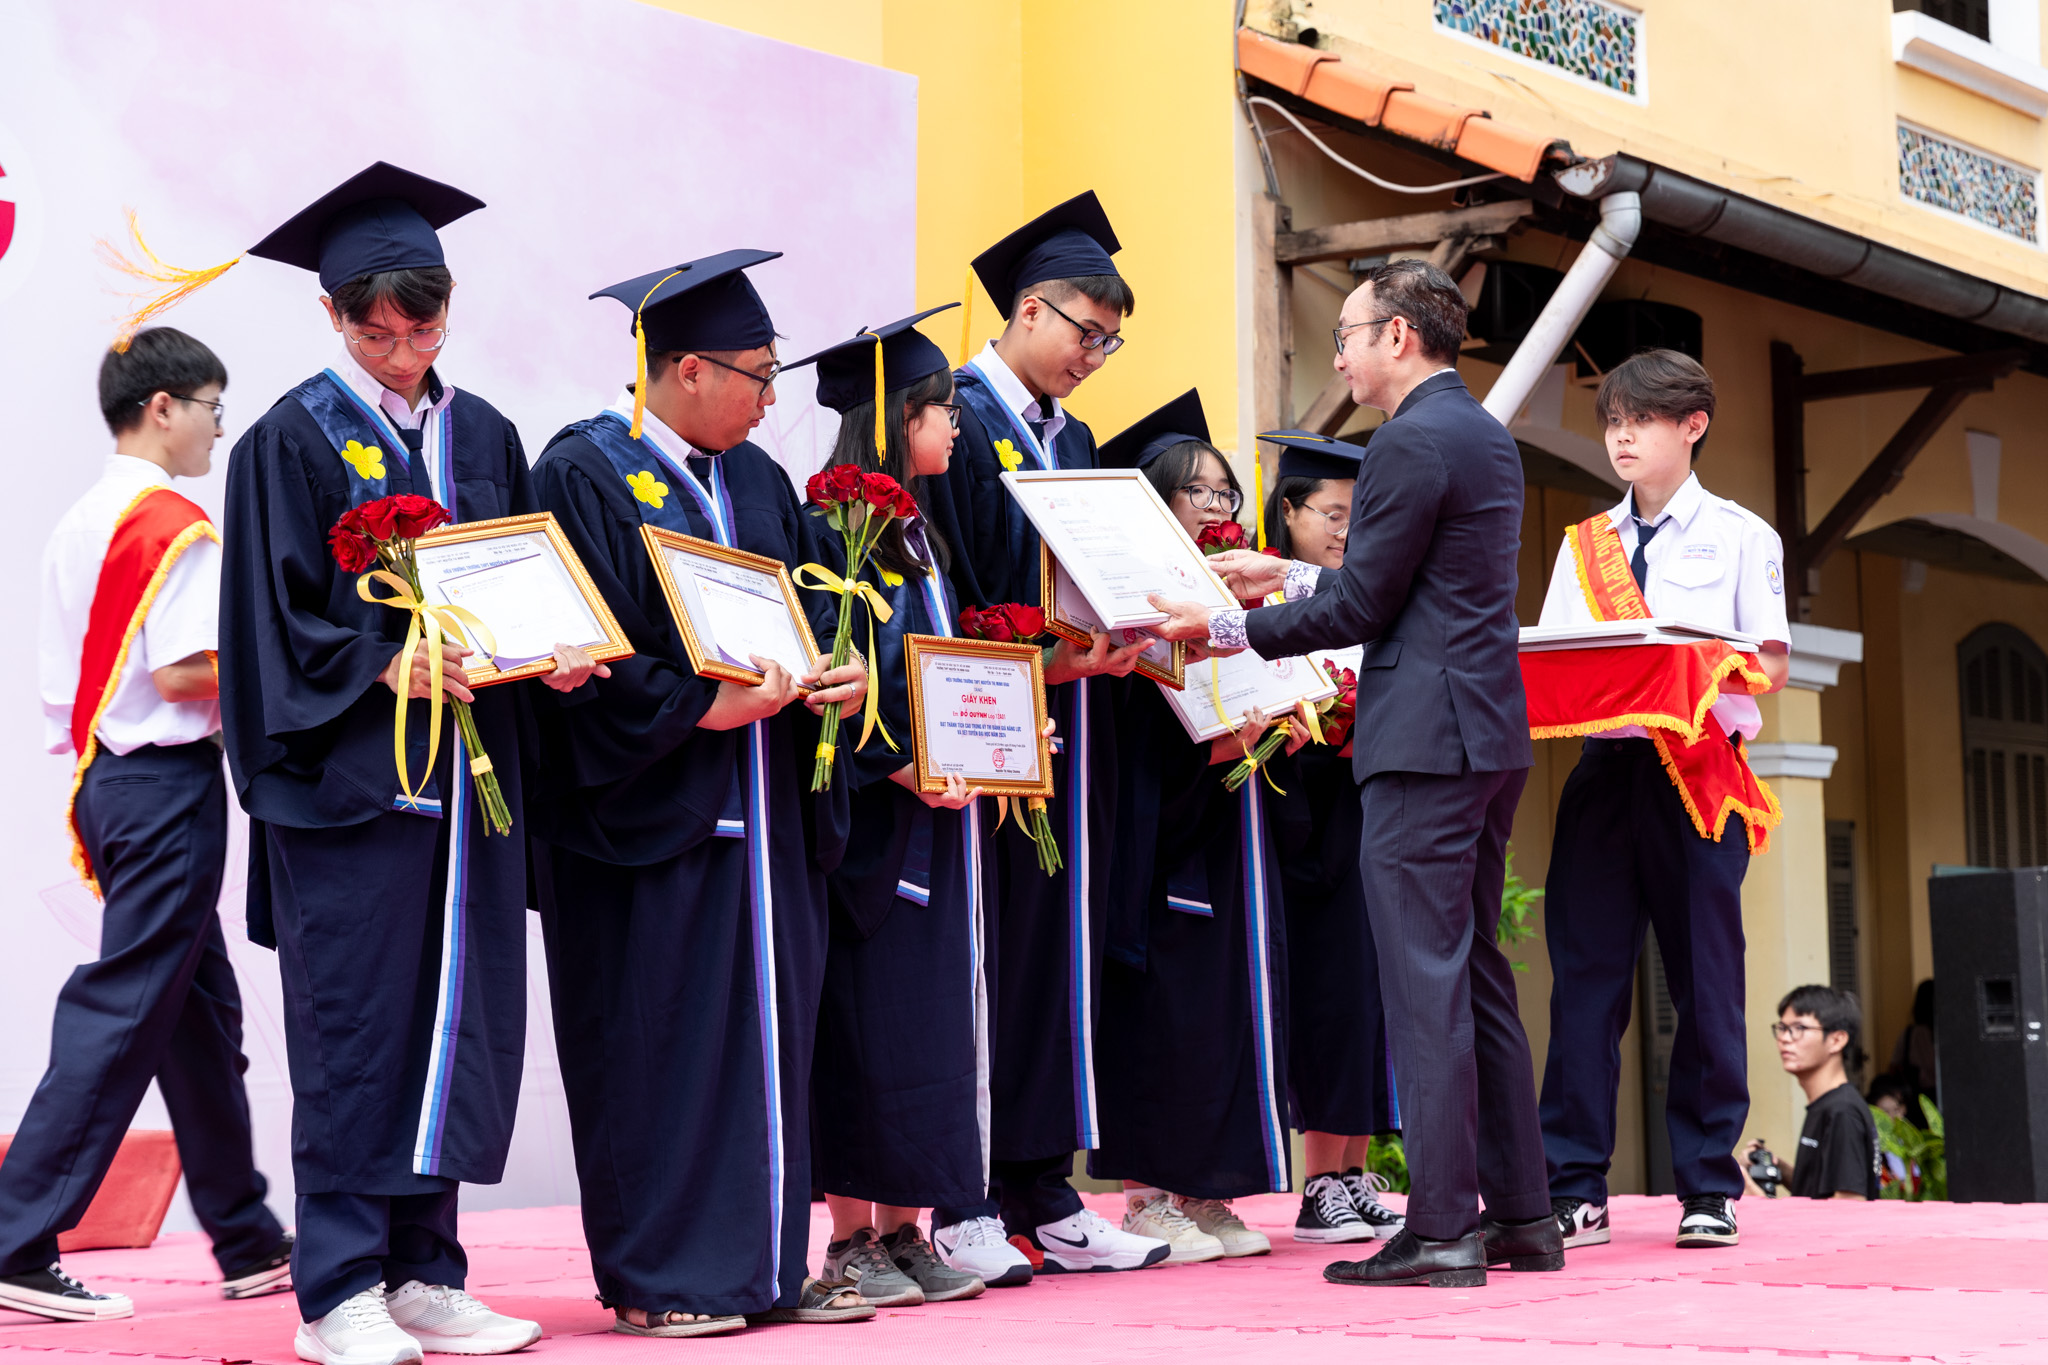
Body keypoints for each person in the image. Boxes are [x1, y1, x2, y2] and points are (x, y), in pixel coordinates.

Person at [217, 163, 607, 1364]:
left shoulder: (482, 432)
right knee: (356, 1035)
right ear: (329, 314)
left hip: (468, 787)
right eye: (372, 329)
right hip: (353, 794)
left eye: (420, 325)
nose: (398, 351)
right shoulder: (288, 440)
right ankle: (338, 1286)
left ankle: (427, 1270)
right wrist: (382, 666)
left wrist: (554, 654)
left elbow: (526, 585)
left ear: (448, 309)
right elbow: (269, 626)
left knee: (458, 1025)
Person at [1144, 259, 1559, 1288]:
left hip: (1422, 742)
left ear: (1400, 337)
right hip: (1482, 735)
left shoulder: (1410, 440)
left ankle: (1440, 1228)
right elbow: (1413, 585)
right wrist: (1285, 574)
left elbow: (1361, 610)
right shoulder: (1477, 433)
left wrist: (1227, 623)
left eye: (1350, 333)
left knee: (1422, 985)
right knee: (1474, 981)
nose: (1339, 354)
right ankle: (1517, 1215)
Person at [528, 251, 872, 1338]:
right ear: (682, 369)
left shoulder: (758, 482)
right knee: (660, 1044)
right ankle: (663, 1276)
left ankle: (766, 1267)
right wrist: (690, 710)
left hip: (765, 815)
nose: (774, 401)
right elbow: (571, 648)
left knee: (770, 1045)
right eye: (757, 376)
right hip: (652, 824)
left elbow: (803, 624)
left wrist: (836, 675)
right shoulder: (583, 472)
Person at [3, 330, 291, 1325]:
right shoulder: (173, 523)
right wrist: (289, 668)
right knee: (124, 1009)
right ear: (163, 406)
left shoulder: (86, 518)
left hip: (112, 781)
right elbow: (182, 674)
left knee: (197, 1020)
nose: (220, 424)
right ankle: (14, 1237)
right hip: (165, 784)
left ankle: (248, 1239)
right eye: (214, 404)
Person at [919, 193, 1165, 1276]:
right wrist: (1030, 661)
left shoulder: (1079, 439)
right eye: (1086, 333)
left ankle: (1040, 1184)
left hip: (1078, 722)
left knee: (1052, 952)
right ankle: (962, 1192)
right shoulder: (959, 418)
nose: (1094, 358)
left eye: (1111, 343)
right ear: (1028, 309)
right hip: (988, 727)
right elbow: (958, 585)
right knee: (984, 954)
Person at [1530, 348, 1791, 1252]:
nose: (1622, 438)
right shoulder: (1583, 543)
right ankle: (1573, 1185)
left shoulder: (1742, 534)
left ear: (1694, 425)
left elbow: (1772, 662)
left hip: (1699, 770)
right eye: (1612, 422)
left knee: (1705, 982)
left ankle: (1708, 1185)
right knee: (1585, 983)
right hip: (1606, 773)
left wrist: (1690, 664)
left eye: (1640, 420)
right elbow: (1562, 661)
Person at [795, 307, 997, 1306]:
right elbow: (832, 675)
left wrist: (999, 743)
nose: (954, 426)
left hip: (936, 811)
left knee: (923, 1029)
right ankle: (849, 1238)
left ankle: (907, 1222)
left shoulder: (918, 530)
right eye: (940, 409)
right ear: (893, 417)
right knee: (863, 1024)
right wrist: (896, 762)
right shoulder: (834, 527)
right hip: (869, 822)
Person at [1088, 391, 1293, 1265]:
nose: (1219, 508)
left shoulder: (1226, 593)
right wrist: (1213, 753)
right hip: (1163, 827)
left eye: (1225, 494)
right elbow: (1132, 740)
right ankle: (1146, 1194)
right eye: (1200, 492)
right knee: (1165, 1008)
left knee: (1219, 1011)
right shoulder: (1133, 602)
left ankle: (1205, 1192)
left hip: (1227, 823)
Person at [1256, 430, 1405, 1247]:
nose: (1348, 530)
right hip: (1304, 807)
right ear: (1291, 511)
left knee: (1370, 992)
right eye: (1333, 513)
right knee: (1331, 991)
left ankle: (1350, 1170)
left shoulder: (1363, 592)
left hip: (1366, 801)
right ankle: (1320, 1180)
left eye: (1362, 514)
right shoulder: (1268, 596)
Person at [1747, 987, 1879, 1201]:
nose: (1784, 1038)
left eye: (1798, 1028)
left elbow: (1849, 1207)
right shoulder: (1827, 1104)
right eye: (1782, 1028)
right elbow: (1817, 1195)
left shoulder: (1842, 1111)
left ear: (1837, 1040)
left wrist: (1756, 1196)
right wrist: (1778, 1169)